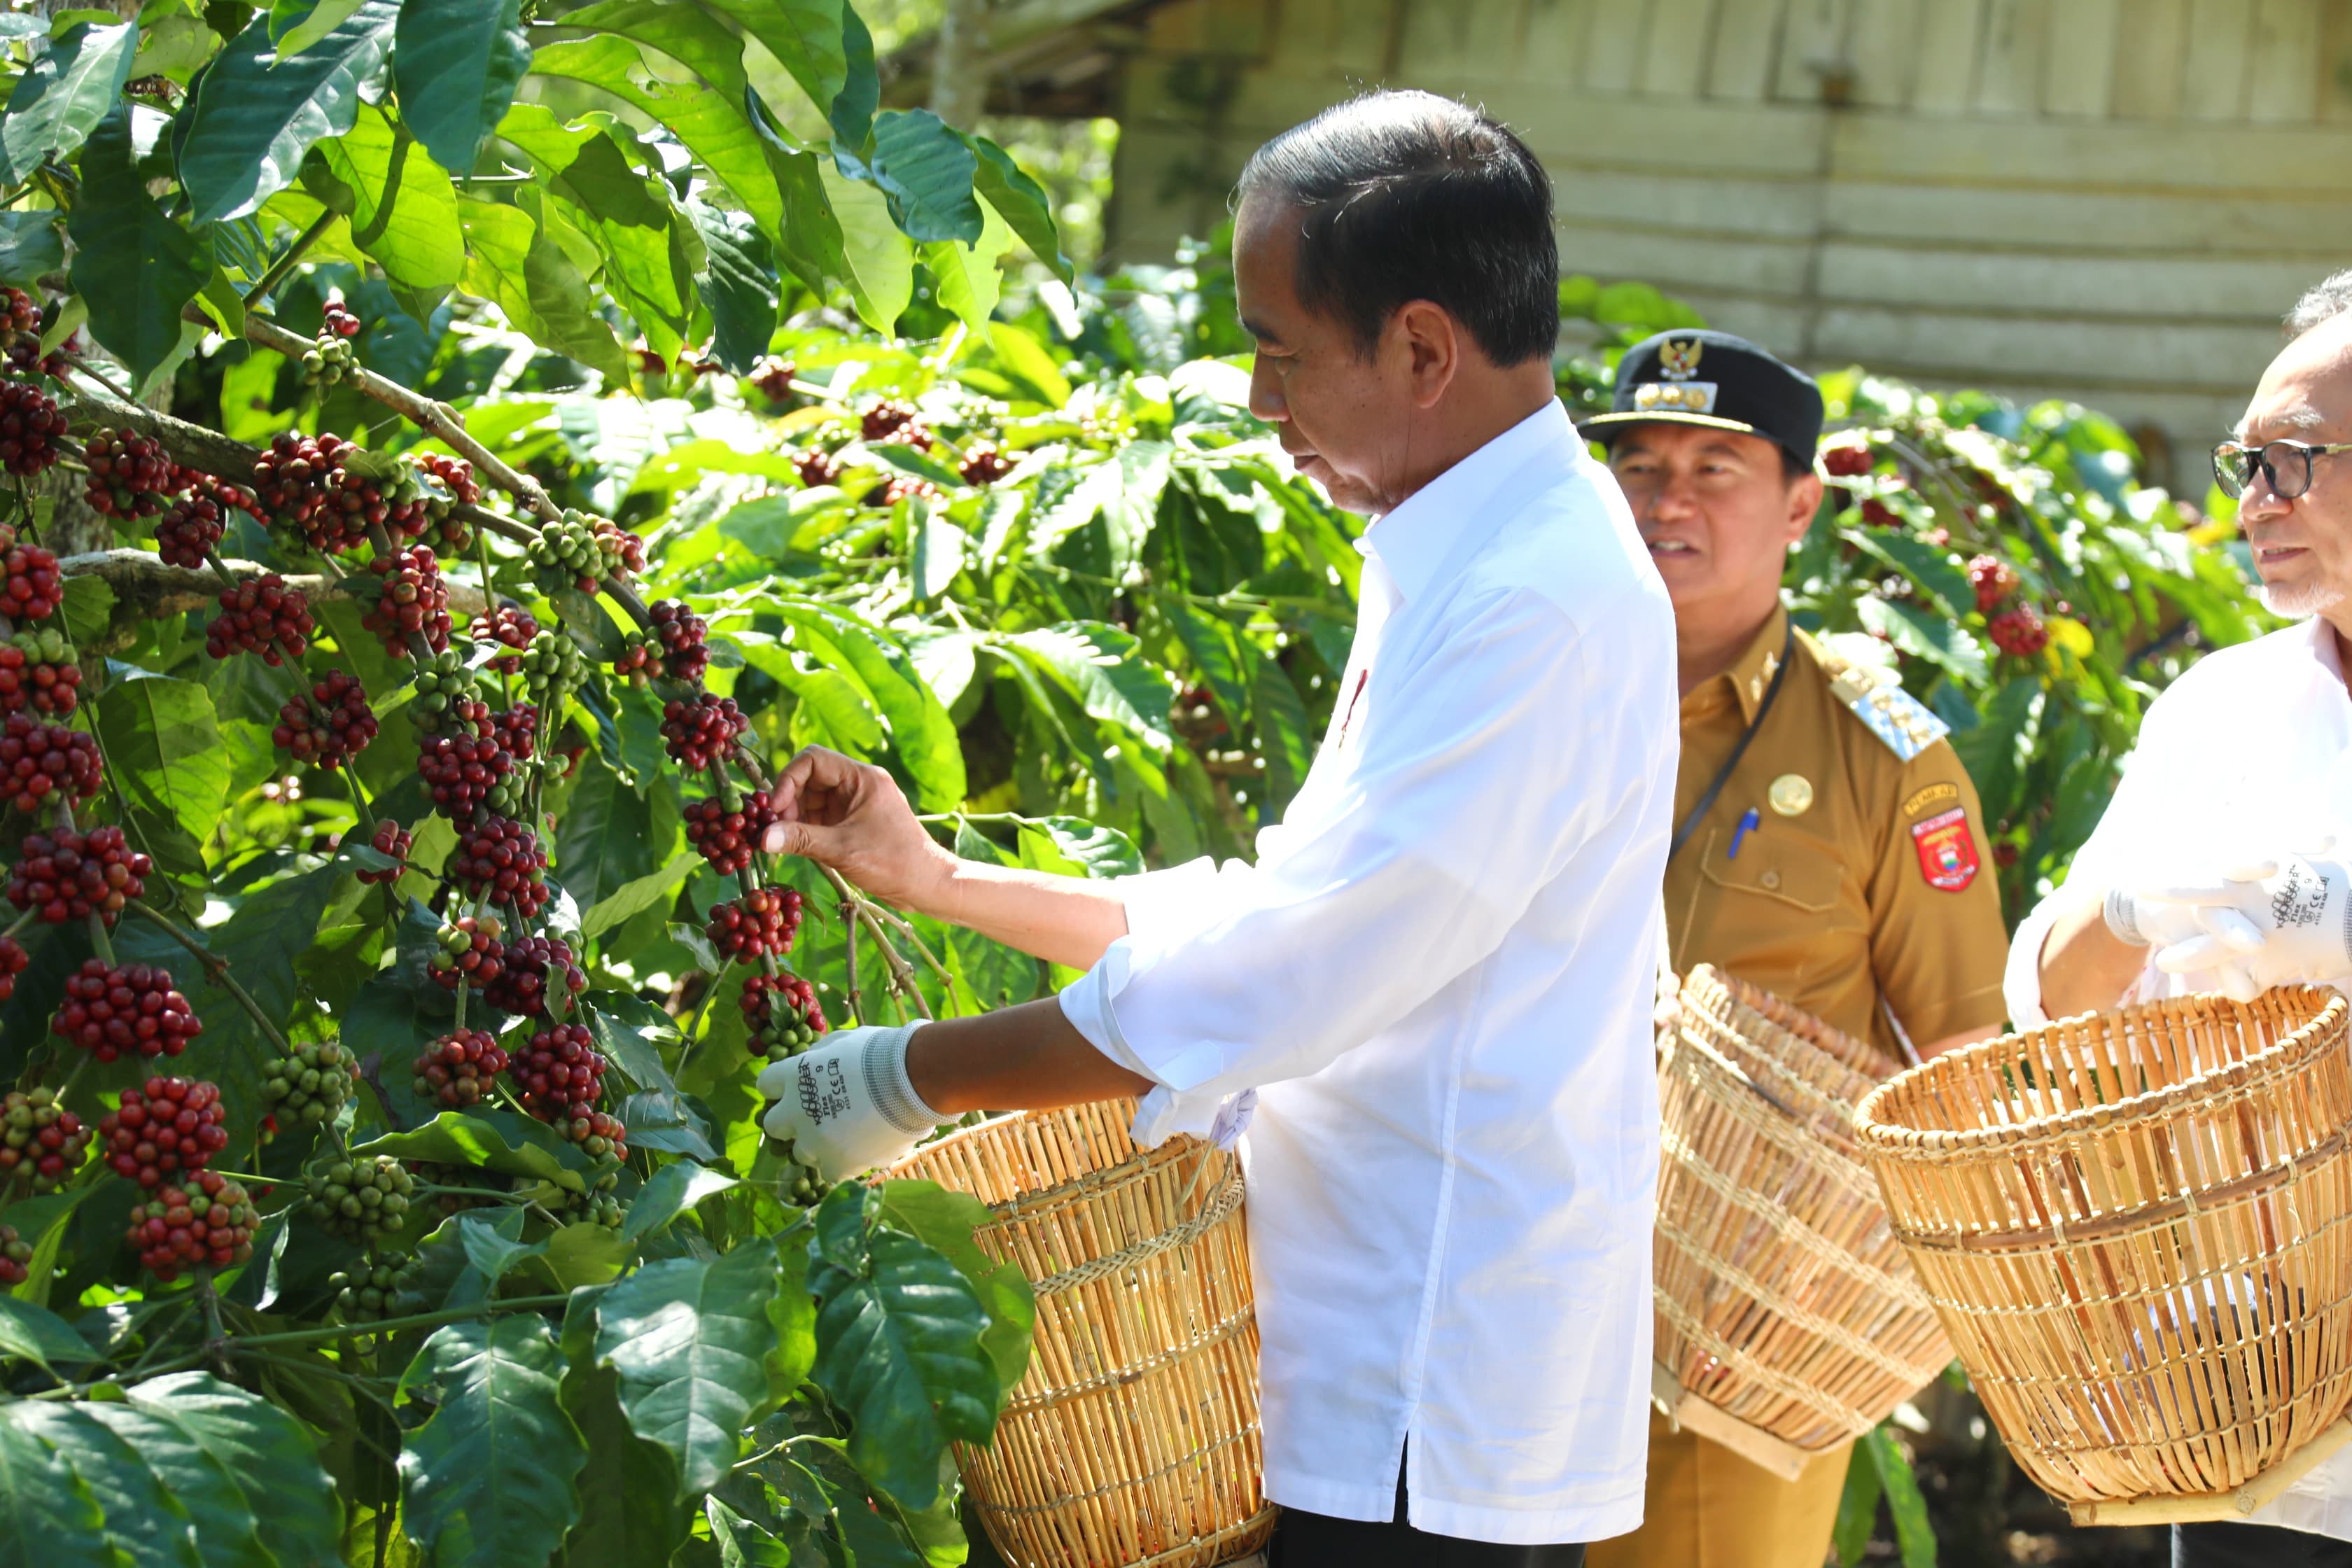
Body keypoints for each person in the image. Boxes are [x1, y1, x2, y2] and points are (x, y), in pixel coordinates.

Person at [757, 88, 1679, 1566]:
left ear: (1423, 348)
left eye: (1278, 350)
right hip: (1369, 1348)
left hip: (1425, 1379)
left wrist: (905, 1074)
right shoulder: (1457, 539)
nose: (1260, 400)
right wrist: (936, 880)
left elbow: (1297, 966)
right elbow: (1286, 905)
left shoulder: (1537, 599)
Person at [1579, 331, 2010, 1568]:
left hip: (1734, 1328)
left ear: (1802, 504)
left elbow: (1960, 1060)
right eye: (1640, 465)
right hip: (1505, 1271)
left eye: (1718, 468)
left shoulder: (1880, 751)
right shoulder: (1527, 686)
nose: (1668, 499)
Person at [2008, 305, 2352, 1568]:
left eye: (2295, 458)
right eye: (2244, 461)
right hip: (2251, 1389)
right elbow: (2051, 1006)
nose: (2256, 497)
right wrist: (2129, 906)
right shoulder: (2221, 709)